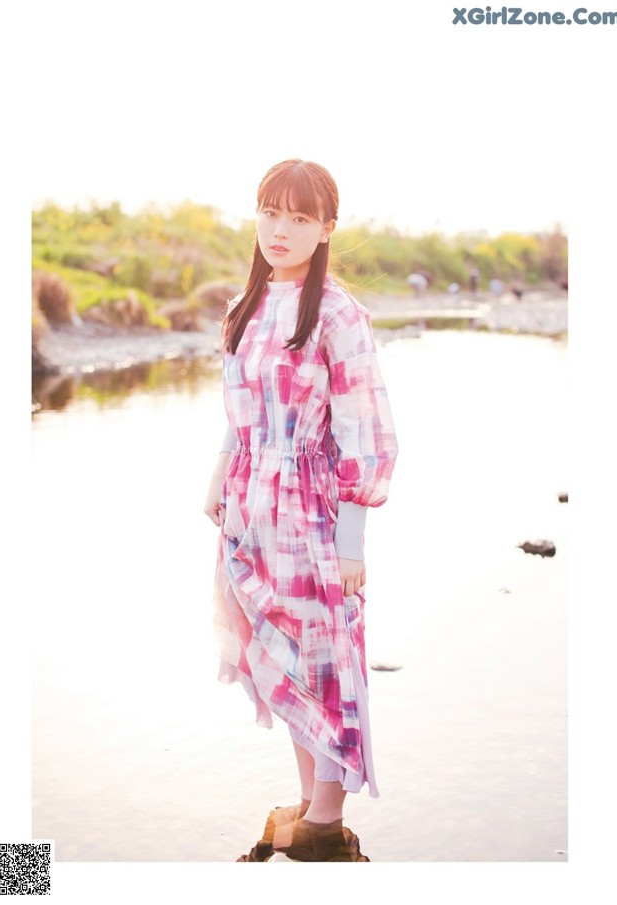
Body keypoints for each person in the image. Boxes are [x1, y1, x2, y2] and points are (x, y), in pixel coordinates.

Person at [204, 159, 399, 861]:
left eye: (299, 217)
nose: (279, 230)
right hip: (251, 504)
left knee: (323, 654)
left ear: (325, 229)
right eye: (270, 212)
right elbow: (241, 408)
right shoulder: (247, 304)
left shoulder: (340, 312)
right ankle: (311, 798)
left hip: (310, 509)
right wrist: (218, 481)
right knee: (282, 656)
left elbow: (364, 429)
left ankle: (325, 813)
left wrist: (352, 542)